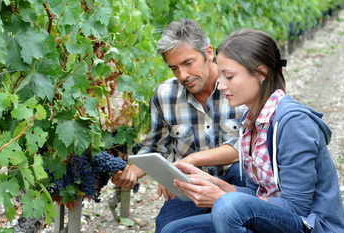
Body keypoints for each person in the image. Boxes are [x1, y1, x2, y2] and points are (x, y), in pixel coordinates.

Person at [161, 28, 344, 233]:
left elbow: (297, 208)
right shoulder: (250, 121)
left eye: (228, 76)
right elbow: (256, 193)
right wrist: (213, 183)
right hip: (270, 218)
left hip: (311, 225)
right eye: (220, 75)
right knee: (174, 230)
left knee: (228, 207)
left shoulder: (293, 123)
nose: (220, 85)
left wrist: (221, 198)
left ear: (261, 73)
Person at [111, 19, 247, 232]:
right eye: (174, 68)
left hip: (237, 184)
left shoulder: (238, 86)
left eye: (188, 63)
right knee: (167, 228)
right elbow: (155, 148)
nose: (183, 75)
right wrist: (132, 172)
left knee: (241, 176)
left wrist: (188, 161)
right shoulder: (165, 95)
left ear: (208, 53)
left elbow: (244, 148)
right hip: (188, 190)